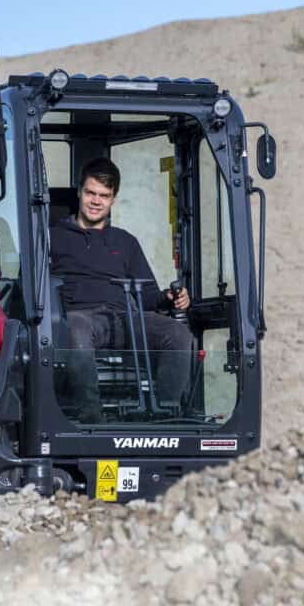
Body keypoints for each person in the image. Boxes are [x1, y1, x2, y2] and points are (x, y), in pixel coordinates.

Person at [50, 157, 192, 423]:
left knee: (177, 332)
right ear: (79, 191)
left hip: (123, 317)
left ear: (113, 199)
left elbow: (148, 296)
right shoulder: (52, 237)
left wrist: (170, 297)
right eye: (91, 193)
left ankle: (166, 414)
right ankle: (91, 417)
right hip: (80, 317)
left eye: (104, 196)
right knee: (76, 328)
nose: (96, 201)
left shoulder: (125, 242)